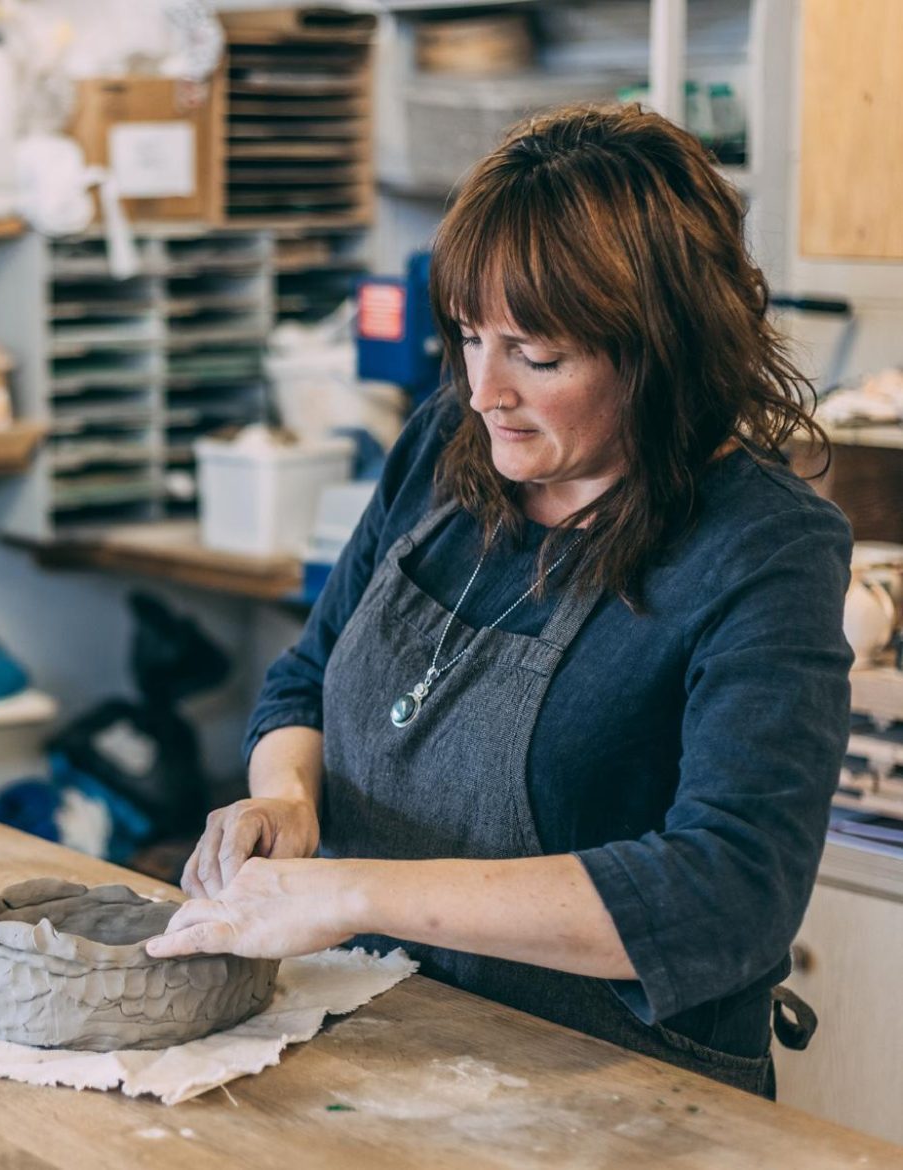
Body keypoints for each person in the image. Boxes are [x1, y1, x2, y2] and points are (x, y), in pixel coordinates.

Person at [146, 103, 853, 1097]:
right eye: (471, 338)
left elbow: (730, 893)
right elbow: (306, 681)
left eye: (539, 355)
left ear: (667, 349)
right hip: (382, 1034)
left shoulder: (762, 548)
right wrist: (287, 802)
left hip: (622, 1100)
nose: (485, 391)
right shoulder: (447, 446)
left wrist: (344, 891)